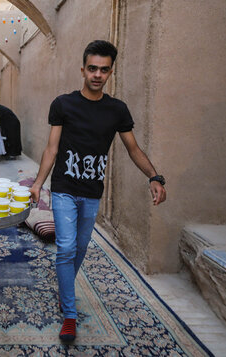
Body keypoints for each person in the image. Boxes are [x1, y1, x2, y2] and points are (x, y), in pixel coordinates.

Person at [29, 40, 166, 343]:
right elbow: (52, 148)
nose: (97, 75)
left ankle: (64, 284)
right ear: (83, 69)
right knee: (65, 248)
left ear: (110, 73)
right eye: (92, 68)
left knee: (78, 248)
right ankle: (69, 314)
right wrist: (39, 183)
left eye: (104, 70)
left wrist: (154, 176)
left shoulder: (117, 110)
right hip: (64, 187)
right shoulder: (63, 104)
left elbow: (133, 148)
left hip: (92, 192)